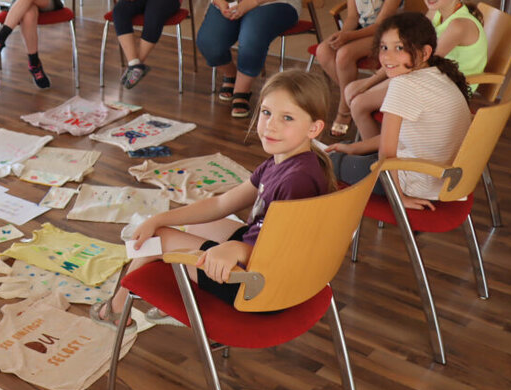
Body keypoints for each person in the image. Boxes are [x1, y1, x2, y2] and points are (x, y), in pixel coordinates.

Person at [90, 70, 335, 327]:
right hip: (263, 262)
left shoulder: (297, 180)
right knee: (195, 226)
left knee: (157, 238)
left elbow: (284, 251)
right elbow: (222, 203)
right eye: (266, 112)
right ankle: (183, 298)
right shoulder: (291, 161)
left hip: (257, 287)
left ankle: (117, 310)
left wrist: (237, 249)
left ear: (314, 128)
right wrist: (160, 217)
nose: (271, 125)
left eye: (287, 118)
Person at [329, 12, 471, 209]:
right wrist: (354, 148)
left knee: (322, 163)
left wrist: (399, 197)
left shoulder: (403, 85)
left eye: (399, 48)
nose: (387, 56)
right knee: (344, 149)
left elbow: (387, 153)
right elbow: (395, 137)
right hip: (442, 178)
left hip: (415, 182)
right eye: (384, 47)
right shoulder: (439, 74)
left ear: (425, 53)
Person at [345, 0, 485, 141]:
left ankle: (378, 158)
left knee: (359, 104)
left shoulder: (459, 25)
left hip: (447, 87)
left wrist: (371, 84)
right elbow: (411, 55)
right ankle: (384, 146)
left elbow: (422, 62)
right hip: (426, 75)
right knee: (351, 90)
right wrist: (372, 81)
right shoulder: (436, 12)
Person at [314, 0, 405, 137]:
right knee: (323, 50)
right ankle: (356, 94)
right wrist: (341, 35)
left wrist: (348, 38)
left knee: (345, 54)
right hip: (361, 30)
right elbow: (353, 16)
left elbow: (382, 24)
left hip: (386, 34)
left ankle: (344, 110)